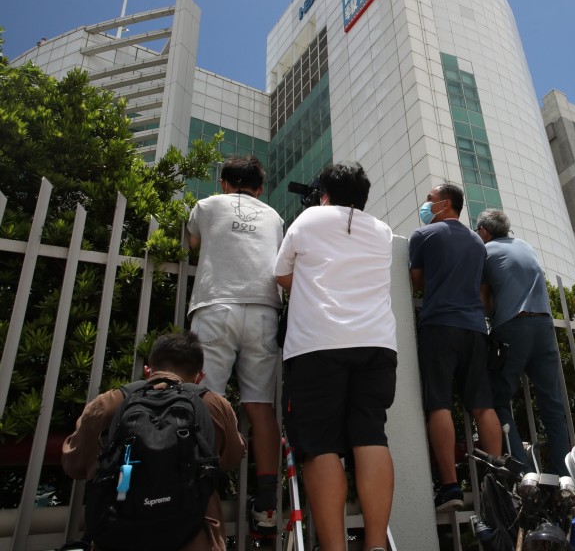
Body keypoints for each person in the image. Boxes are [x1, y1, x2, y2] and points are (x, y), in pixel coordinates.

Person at [275, 162, 397, 551]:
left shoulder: (308, 219)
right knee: (370, 435)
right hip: (377, 344)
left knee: (321, 444)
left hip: (318, 344)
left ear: (324, 192)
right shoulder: (381, 231)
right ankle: (376, 544)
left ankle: (334, 547)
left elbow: (282, 275)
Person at [63, 332, 245, 551]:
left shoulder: (108, 404)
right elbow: (232, 458)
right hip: (195, 538)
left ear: (148, 370)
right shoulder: (213, 405)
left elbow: (73, 464)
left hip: (117, 537)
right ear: (199, 377)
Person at [186, 155, 284, 538]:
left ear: (224, 182)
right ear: (260, 189)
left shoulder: (207, 206)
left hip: (216, 306)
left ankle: (199, 494)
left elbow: (194, 242)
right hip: (263, 311)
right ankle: (266, 507)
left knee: (204, 400)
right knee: (260, 406)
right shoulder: (274, 216)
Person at [409, 183, 502, 511]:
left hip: (439, 325)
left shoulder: (423, 235)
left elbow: (417, 282)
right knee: (482, 405)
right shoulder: (479, 243)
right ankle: (498, 485)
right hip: (475, 329)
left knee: (439, 404)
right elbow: (480, 288)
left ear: (445, 204)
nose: (426, 204)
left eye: (429, 199)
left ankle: (450, 489)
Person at [476, 209, 570, 476]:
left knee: (498, 400)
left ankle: (525, 473)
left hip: (513, 327)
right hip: (544, 325)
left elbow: (483, 302)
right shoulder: (526, 246)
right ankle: (563, 478)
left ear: (484, 231)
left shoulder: (485, 251)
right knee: (552, 405)